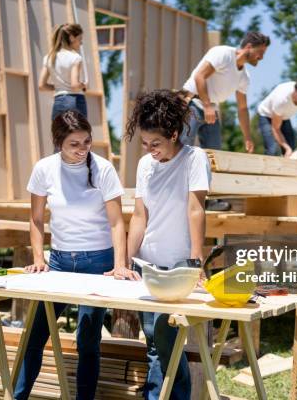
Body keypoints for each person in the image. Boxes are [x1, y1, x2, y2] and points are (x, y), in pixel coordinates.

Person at [14, 110, 139, 400]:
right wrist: (38, 259)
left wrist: (119, 265)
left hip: (98, 263)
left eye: (86, 142)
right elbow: (36, 219)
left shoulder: (104, 169)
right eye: (74, 144)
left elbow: (117, 221)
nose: (82, 149)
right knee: (35, 335)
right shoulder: (44, 169)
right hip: (58, 262)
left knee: (88, 340)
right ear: (59, 143)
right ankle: (17, 396)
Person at [125, 90, 211, 399]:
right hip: (148, 262)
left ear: (174, 134)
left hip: (178, 263)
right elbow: (138, 216)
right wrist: (125, 260)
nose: (150, 150)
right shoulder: (145, 165)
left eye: (156, 144)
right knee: (152, 339)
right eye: (145, 144)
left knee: (166, 338)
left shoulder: (194, 159)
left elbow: (196, 209)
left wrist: (195, 260)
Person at [181, 31, 270, 153]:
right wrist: (207, 106)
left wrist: (248, 138)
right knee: (182, 148)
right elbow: (199, 76)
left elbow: (242, 108)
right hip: (192, 103)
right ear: (249, 47)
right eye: (260, 52)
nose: (261, 57)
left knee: (214, 154)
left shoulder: (244, 77)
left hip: (211, 110)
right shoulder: (223, 54)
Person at [256, 77, 297, 157]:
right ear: (296, 92)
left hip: (283, 117)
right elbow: (275, 128)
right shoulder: (282, 99)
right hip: (266, 115)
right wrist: (286, 148)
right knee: (273, 150)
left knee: (291, 152)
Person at [39, 24, 88, 120]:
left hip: (58, 102)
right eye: (79, 39)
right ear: (71, 38)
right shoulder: (75, 58)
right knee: (80, 134)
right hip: (75, 101)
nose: (81, 43)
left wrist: (59, 87)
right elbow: (74, 86)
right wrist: (83, 85)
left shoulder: (48, 58)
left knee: (60, 134)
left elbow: (41, 86)